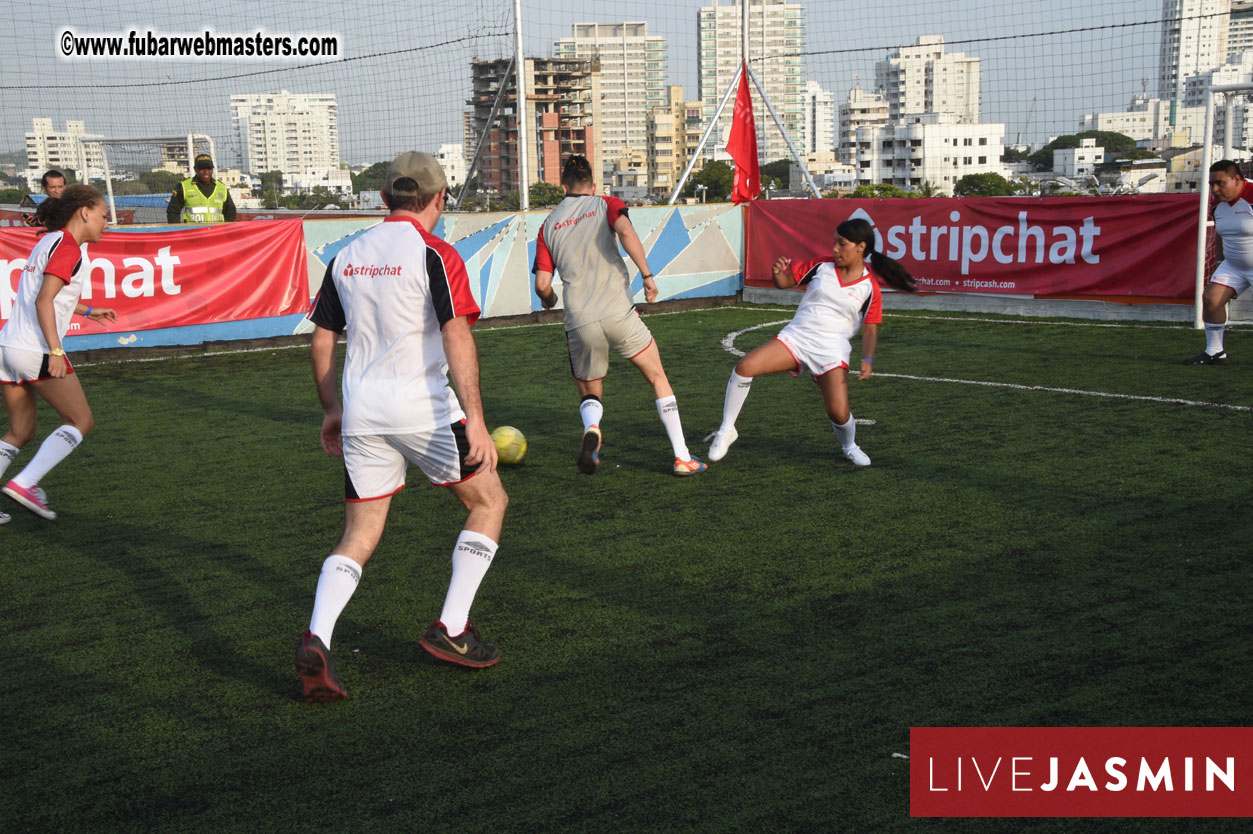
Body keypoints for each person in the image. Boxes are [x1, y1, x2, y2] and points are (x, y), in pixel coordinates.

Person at [296, 151, 508, 702]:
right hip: (425, 410)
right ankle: (453, 629)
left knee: (359, 535)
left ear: (387, 198)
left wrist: (331, 410)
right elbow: (457, 335)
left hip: (362, 411)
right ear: (438, 199)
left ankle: (318, 635)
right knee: (489, 502)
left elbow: (322, 341)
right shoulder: (436, 252)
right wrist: (478, 422)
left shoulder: (347, 255)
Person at [533, 155, 706, 477]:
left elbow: (542, 284)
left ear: (563, 185)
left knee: (589, 389)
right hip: (619, 314)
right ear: (593, 184)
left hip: (580, 321)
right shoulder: (606, 204)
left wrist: (550, 299)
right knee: (657, 376)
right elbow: (625, 231)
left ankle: (593, 428)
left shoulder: (548, 225)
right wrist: (647, 274)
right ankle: (682, 456)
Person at [705, 217, 917, 467]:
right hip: (798, 337)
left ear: (860, 247)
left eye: (842, 244)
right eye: (834, 243)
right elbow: (784, 283)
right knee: (745, 367)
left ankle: (850, 446)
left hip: (832, 349)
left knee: (837, 412)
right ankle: (727, 429)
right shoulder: (820, 267)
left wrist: (867, 359)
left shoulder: (869, 288)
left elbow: (870, 329)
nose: (835, 249)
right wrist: (777, 274)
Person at [0, 185, 117, 523]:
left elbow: (49, 295)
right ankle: (25, 483)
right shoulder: (69, 247)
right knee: (81, 421)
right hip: (33, 348)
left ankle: (22, 481)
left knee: (20, 432)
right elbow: (43, 301)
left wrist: (87, 310)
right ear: (84, 212)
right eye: (103, 215)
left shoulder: (48, 240)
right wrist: (54, 349)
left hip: (7, 347)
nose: (106, 223)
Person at [1187, 159, 1251, 365]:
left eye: (1220, 183)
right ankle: (1215, 352)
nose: (1215, 189)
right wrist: (1219, 261)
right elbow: (1222, 234)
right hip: (1234, 264)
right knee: (1211, 299)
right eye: (1211, 184)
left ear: (1237, 180)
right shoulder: (1217, 205)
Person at [166, 154, 236, 224]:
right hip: (193, 233)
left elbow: (230, 213)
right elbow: (173, 212)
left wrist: (225, 231)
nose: (206, 172)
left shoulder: (222, 188)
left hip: (216, 232)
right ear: (195, 169)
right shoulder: (183, 186)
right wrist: (178, 232)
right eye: (202, 168)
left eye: (209, 168)